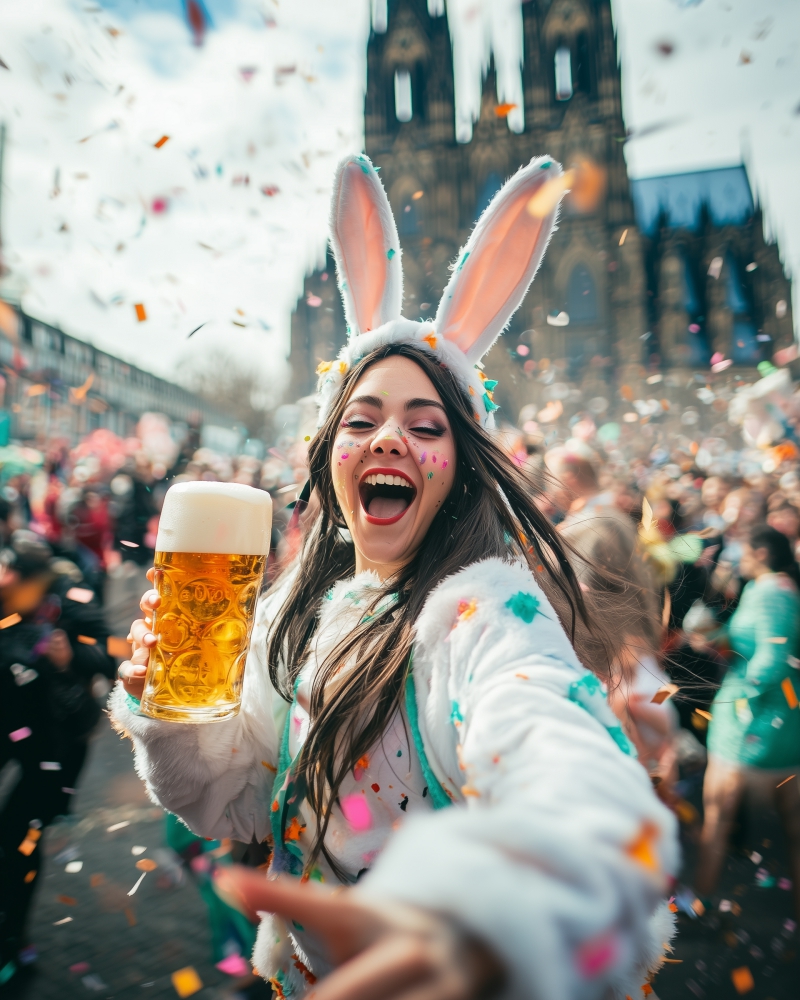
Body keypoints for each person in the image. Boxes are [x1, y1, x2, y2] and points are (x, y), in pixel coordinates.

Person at [111, 153, 678, 1000]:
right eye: (363, 418)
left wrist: (527, 906)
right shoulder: (304, 607)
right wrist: (171, 713)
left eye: (426, 424)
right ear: (329, 453)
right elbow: (233, 798)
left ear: (462, 464)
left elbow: (559, 751)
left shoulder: (486, 613)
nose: (388, 440)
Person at [0, 531, 115, 984]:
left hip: (54, 753)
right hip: (14, 736)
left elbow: (112, 653)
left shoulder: (66, 606)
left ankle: (13, 941)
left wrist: (70, 659)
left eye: (8, 569)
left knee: (17, 846)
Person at [694, 525, 800, 922]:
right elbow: (752, 643)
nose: (737, 557)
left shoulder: (773, 590)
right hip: (773, 719)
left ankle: (699, 903)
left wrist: (743, 697)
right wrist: (717, 638)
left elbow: (774, 658)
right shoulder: (766, 588)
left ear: (760, 552)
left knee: (718, 817)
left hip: (754, 724)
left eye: (743, 550)